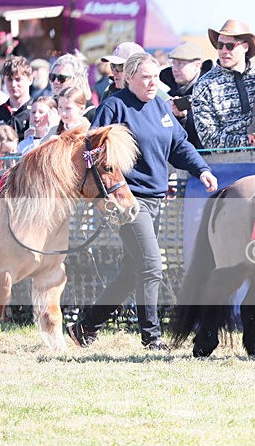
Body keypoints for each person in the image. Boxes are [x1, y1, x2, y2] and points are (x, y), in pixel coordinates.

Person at [67, 53, 218, 351]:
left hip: (156, 199)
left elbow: (179, 145)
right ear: (130, 77)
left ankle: (86, 327)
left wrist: (202, 169)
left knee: (132, 271)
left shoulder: (161, 106)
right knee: (151, 265)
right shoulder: (114, 106)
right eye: (145, 77)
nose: (153, 82)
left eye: (155, 76)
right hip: (126, 200)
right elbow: (93, 150)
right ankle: (152, 338)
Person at [193, 19, 255, 150]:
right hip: (230, 164)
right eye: (220, 45)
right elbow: (208, 139)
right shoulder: (204, 85)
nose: (224, 50)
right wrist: (251, 142)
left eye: (230, 46)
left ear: (245, 47)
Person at [159, 41, 212, 149]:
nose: (175, 69)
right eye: (173, 63)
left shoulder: (210, 94)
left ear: (197, 66)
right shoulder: (167, 96)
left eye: (181, 64)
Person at [0, 55, 32, 141]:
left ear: (30, 80)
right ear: (3, 80)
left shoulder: (37, 113)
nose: (13, 84)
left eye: (18, 79)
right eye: (9, 79)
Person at [48, 53, 95, 122]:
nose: (55, 81)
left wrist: (55, 128)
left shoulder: (89, 112)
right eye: (53, 77)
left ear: (77, 80)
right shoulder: (48, 107)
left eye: (61, 78)